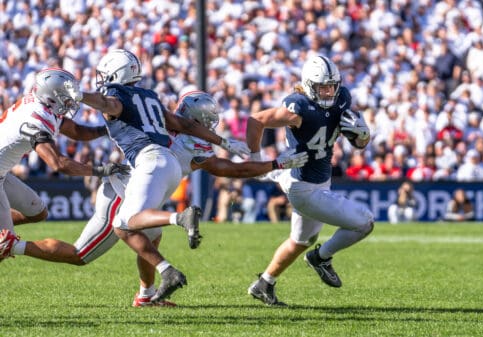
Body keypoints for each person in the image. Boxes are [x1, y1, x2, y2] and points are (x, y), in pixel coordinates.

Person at [6, 91, 308, 307]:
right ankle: (12, 244)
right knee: (80, 254)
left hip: (134, 183)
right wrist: (275, 164)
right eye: (208, 121)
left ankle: (146, 294)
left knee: (153, 235)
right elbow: (230, 169)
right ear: (199, 120)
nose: (210, 125)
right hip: (122, 192)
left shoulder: (160, 121)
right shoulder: (193, 144)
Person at [64, 49, 253, 304]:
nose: (102, 79)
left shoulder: (116, 95)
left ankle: (180, 219)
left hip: (149, 162)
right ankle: (146, 294)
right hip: (167, 164)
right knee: (151, 234)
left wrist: (83, 97)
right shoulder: (149, 96)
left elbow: (110, 104)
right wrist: (224, 142)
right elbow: (183, 124)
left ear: (115, 73)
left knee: (124, 223)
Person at [245, 55, 374, 306]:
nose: (328, 92)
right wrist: (255, 159)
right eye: (322, 87)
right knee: (364, 223)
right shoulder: (299, 107)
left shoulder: (342, 98)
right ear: (307, 85)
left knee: (301, 240)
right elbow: (256, 120)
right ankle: (321, 258)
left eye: (331, 86)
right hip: (304, 187)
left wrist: (362, 135)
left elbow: (358, 143)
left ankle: (264, 284)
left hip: (317, 181)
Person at [0, 68, 129, 260]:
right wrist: (99, 171)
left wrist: (108, 130)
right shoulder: (34, 120)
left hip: (3, 173)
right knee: (5, 245)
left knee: (38, 212)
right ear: (52, 96)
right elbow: (58, 163)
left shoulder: (43, 105)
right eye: (66, 96)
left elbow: (76, 131)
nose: (70, 101)